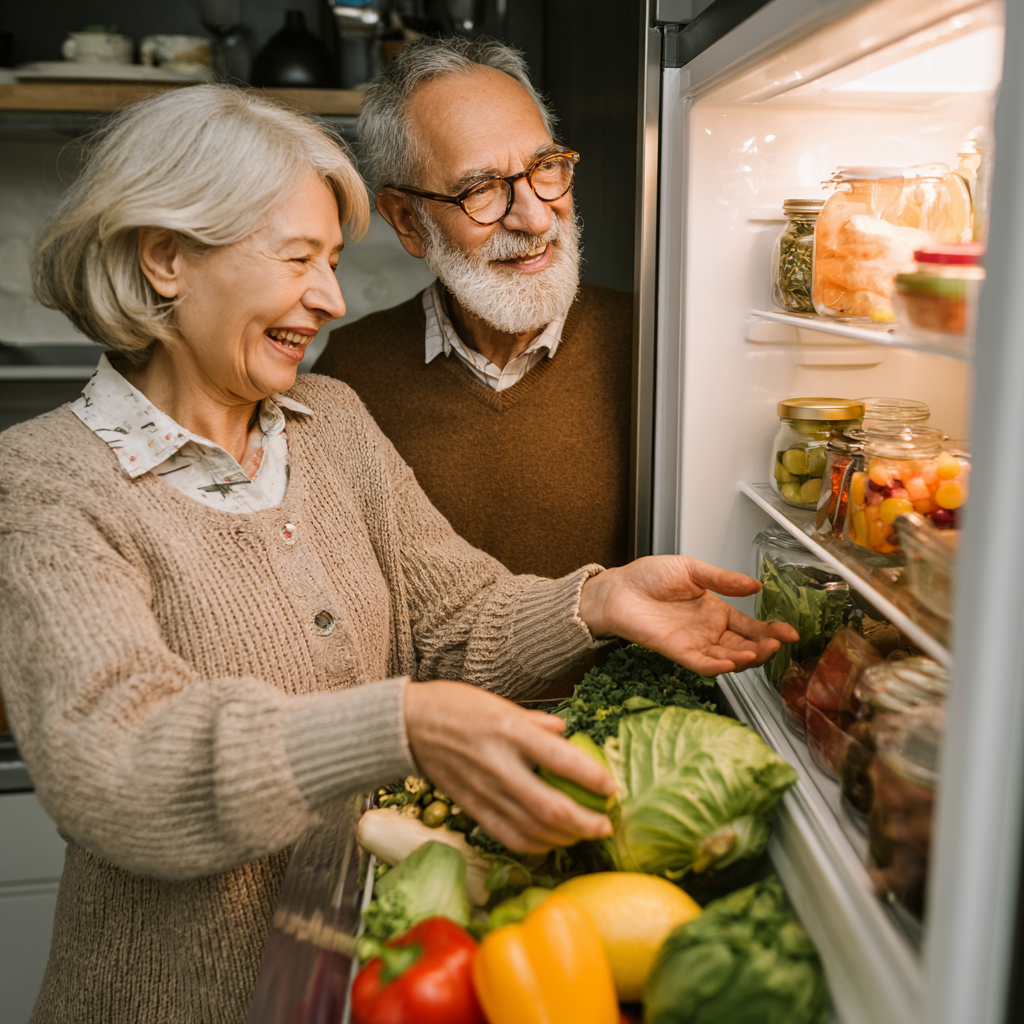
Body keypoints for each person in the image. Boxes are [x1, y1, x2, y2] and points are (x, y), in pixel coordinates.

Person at [0, 86, 795, 1023]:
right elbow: (119, 763)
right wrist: (401, 724)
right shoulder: (42, 480)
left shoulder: (328, 426)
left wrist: (598, 601)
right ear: (166, 257)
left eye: (333, 261)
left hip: (372, 980)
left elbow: (453, 621)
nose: (332, 300)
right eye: (299, 259)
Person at [313, 37, 633, 583]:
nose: (535, 219)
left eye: (546, 166)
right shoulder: (350, 376)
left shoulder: (648, 343)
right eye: (481, 190)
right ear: (409, 222)